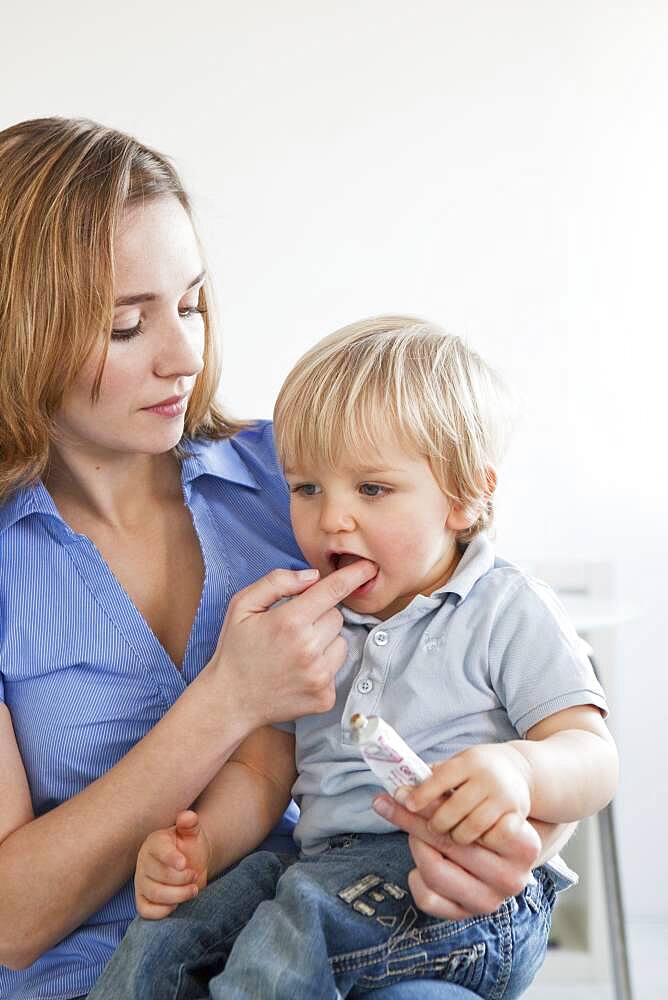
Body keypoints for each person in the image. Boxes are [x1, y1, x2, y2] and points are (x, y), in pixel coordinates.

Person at [0, 120, 554, 1000]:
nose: (184, 358)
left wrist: (517, 845)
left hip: (332, 931)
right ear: (19, 333)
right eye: (125, 326)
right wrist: (228, 699)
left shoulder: (304, 475)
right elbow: (13, 922)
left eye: (191, 304)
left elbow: (503, 681)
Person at [89, 317, 618, 999]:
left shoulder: (506, 607)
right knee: (177, 927)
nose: (332, 519)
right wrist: (205, 848)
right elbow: (262, 771)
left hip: (467, 899)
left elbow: (592, 755)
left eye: (371, 490)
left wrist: (519, 770)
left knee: (290, 934)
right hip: (323, 867)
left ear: (463, 497)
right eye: (307, 488)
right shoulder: (305, 627)